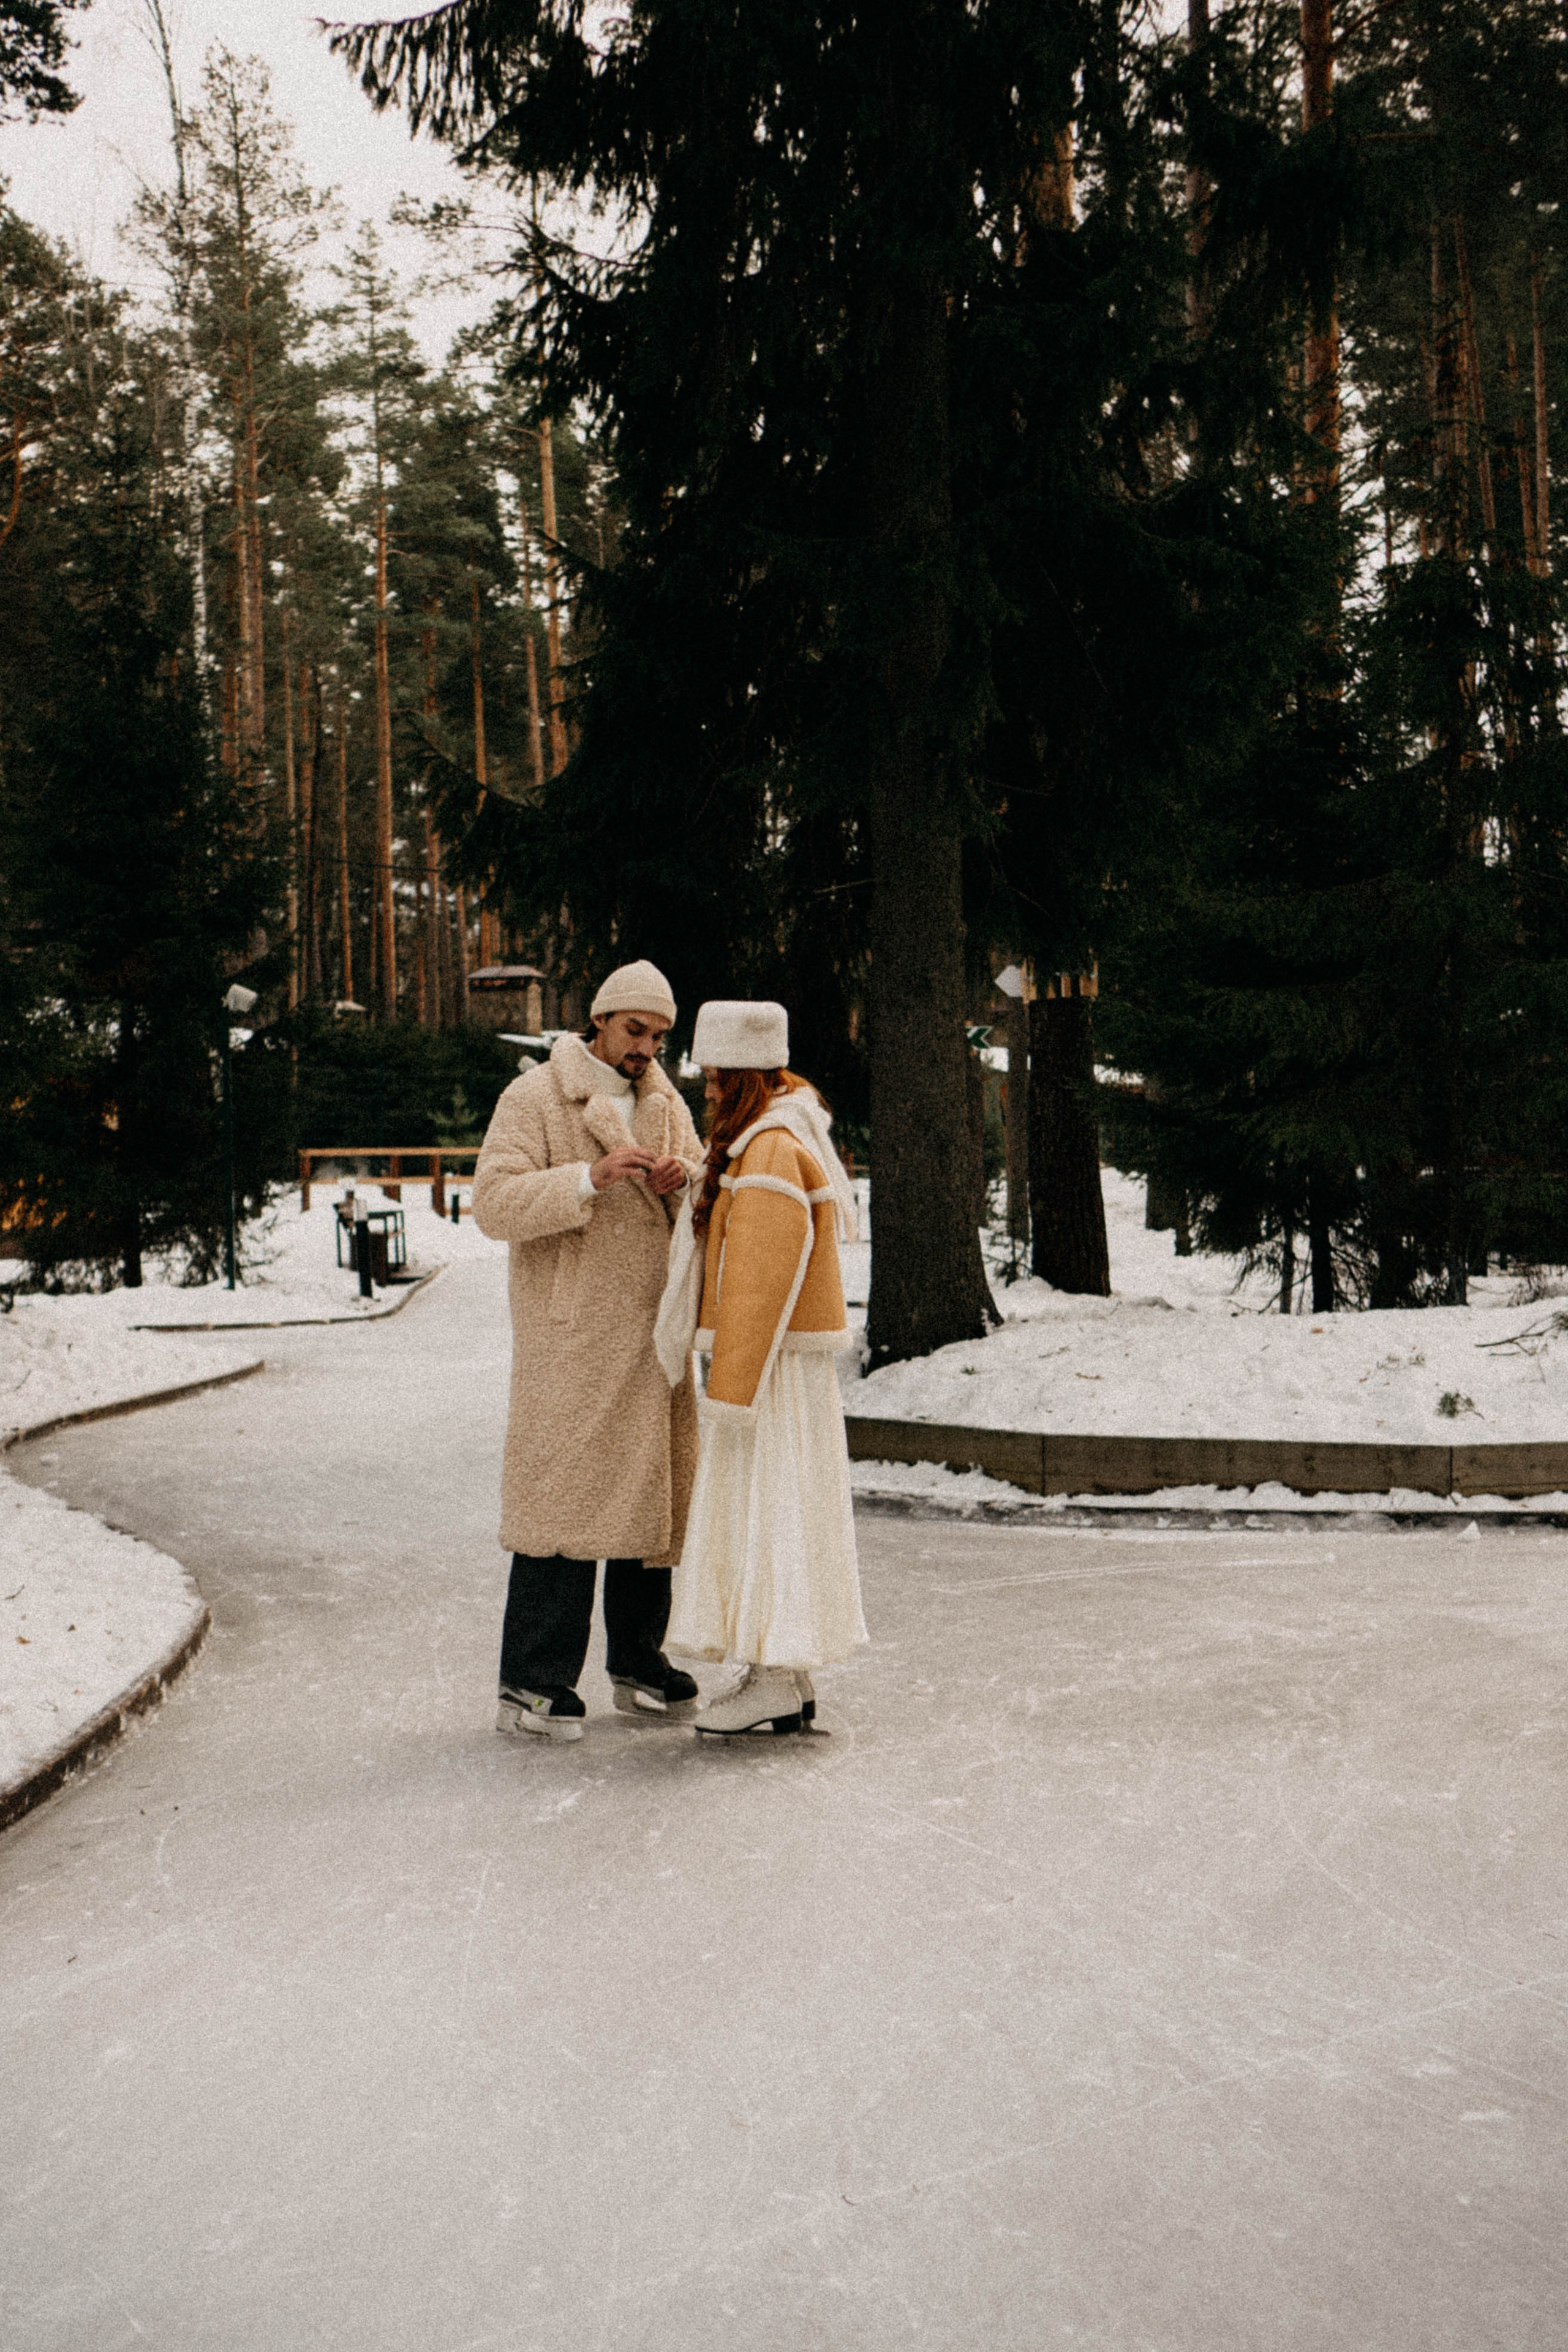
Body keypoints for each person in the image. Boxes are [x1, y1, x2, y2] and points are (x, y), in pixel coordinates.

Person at [472, 960, 706, 1741]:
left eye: (659, 1036)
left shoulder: (665, 1101)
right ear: (599, 1021)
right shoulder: (535, 1096)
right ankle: (531, 1680)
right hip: (571, 1340)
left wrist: (685, 1180)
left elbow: (704, 1185)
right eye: (635, 1031)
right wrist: (585, 1178)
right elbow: (494, 1205)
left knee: (651, 1496)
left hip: (652, 1336)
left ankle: (638, 1659)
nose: (646, 1048)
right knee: (563, 1502)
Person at [661, 1000, 867, 1735]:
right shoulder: (771, 1139)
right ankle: (784, 1671)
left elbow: (759, 1281)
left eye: (718, 1079)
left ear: (746, 1076)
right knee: (776, 1509)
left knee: (767, 1507)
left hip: (768, 1371)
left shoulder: (773, 1149)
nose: (709, 1092)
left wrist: (732, 1387)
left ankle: (779, 1674)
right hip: (775, 1368)